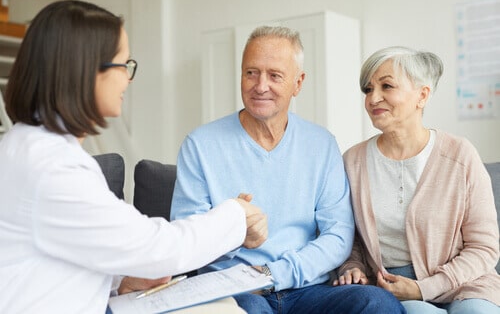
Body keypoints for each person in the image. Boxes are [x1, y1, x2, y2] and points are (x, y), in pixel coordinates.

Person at [0, 0, 268, 313]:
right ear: (85, 71)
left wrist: (119, 281)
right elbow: (159, 248)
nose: (128, 79)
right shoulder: (53, 168)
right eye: (123, 64)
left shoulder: (26, 147)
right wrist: (235, 213)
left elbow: (56, 256)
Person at [170, 26, 405, 314]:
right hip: (235, 289)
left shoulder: (321, 144)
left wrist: (272, 275)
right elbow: (185, 238)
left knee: (378, 304)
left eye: (275, 75)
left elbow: (338, 235)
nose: (260, 85)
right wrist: (232, 233)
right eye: (251, 73)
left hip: (307, 288)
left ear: (298, 83)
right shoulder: (200, 144)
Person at [333, 46, 500, 313]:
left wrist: (427, 287)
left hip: (466, 283)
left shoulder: (460, 154)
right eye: (367, 89)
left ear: (422, 96)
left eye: (386, 86)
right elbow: (347, 238)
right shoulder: (352, 161)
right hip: (395, 288)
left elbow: (484, 247)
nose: (373, 98)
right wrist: (351, 267)